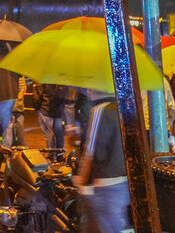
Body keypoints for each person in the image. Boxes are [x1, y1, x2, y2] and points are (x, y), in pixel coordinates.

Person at [72, 91, 130, 232]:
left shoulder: (100, 110)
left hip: (105, 187)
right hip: (123, 184)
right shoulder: (125, 108)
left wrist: (82, 180)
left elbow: (92, 152)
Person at [38, 84, 70, 149]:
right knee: (59, 133)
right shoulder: (63, 81)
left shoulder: (45, 79)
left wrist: (38, 106)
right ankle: (60, 153)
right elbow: (66, 97)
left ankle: (52, 153)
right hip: (58, 110)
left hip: (46, 109)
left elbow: (38, 95)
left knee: (49, 133)